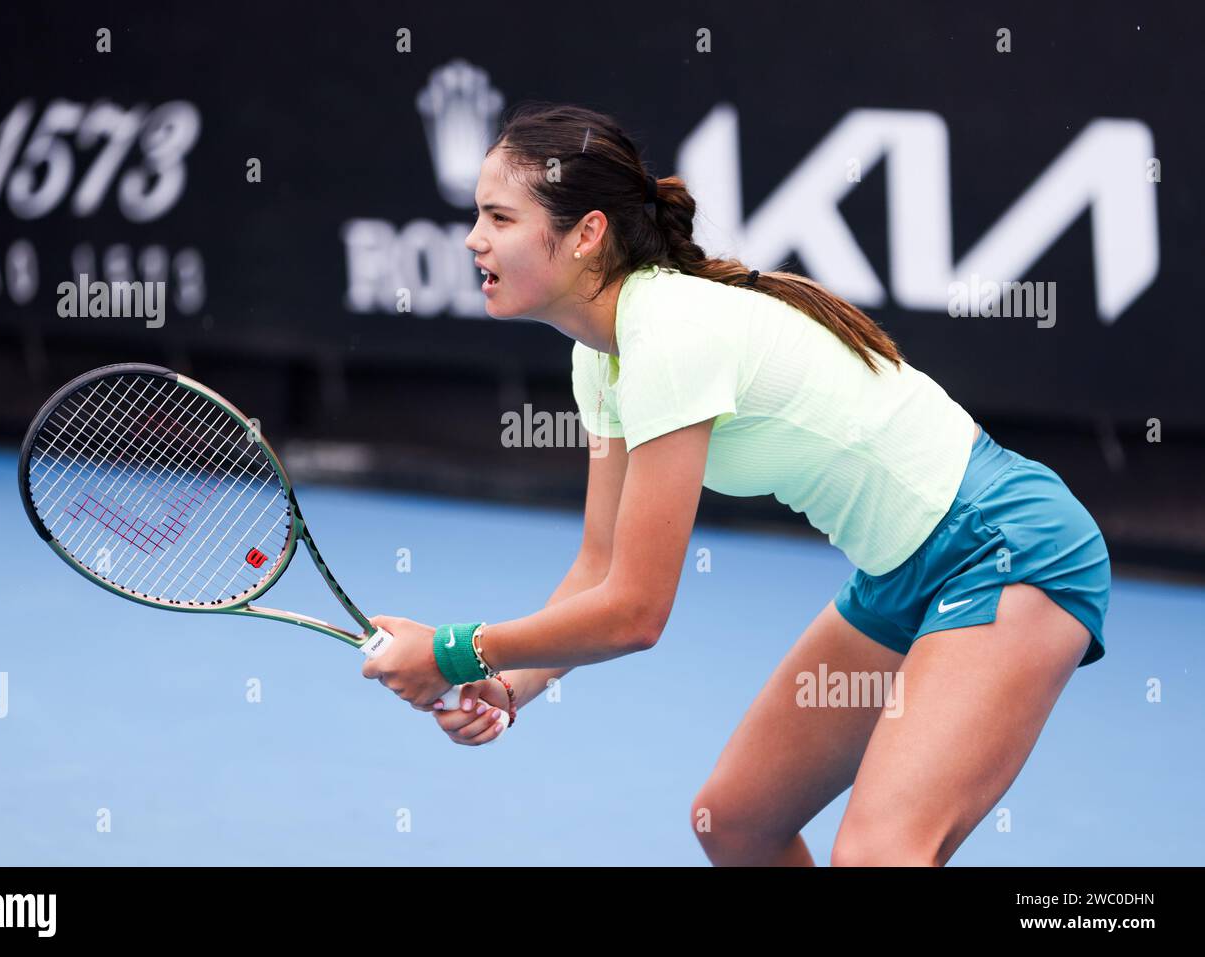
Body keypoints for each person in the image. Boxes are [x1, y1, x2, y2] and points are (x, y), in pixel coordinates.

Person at [361, 103, 1111, 866]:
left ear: (586, 233)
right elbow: (598, 568)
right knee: (738, 821)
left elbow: (635, 613)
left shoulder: (670, 334)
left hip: (1005, 548)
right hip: (898, 576)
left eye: (499, 217)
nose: (473, 238)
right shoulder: (601, 354)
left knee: (880, 854)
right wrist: (511, 684)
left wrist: (456, 652)